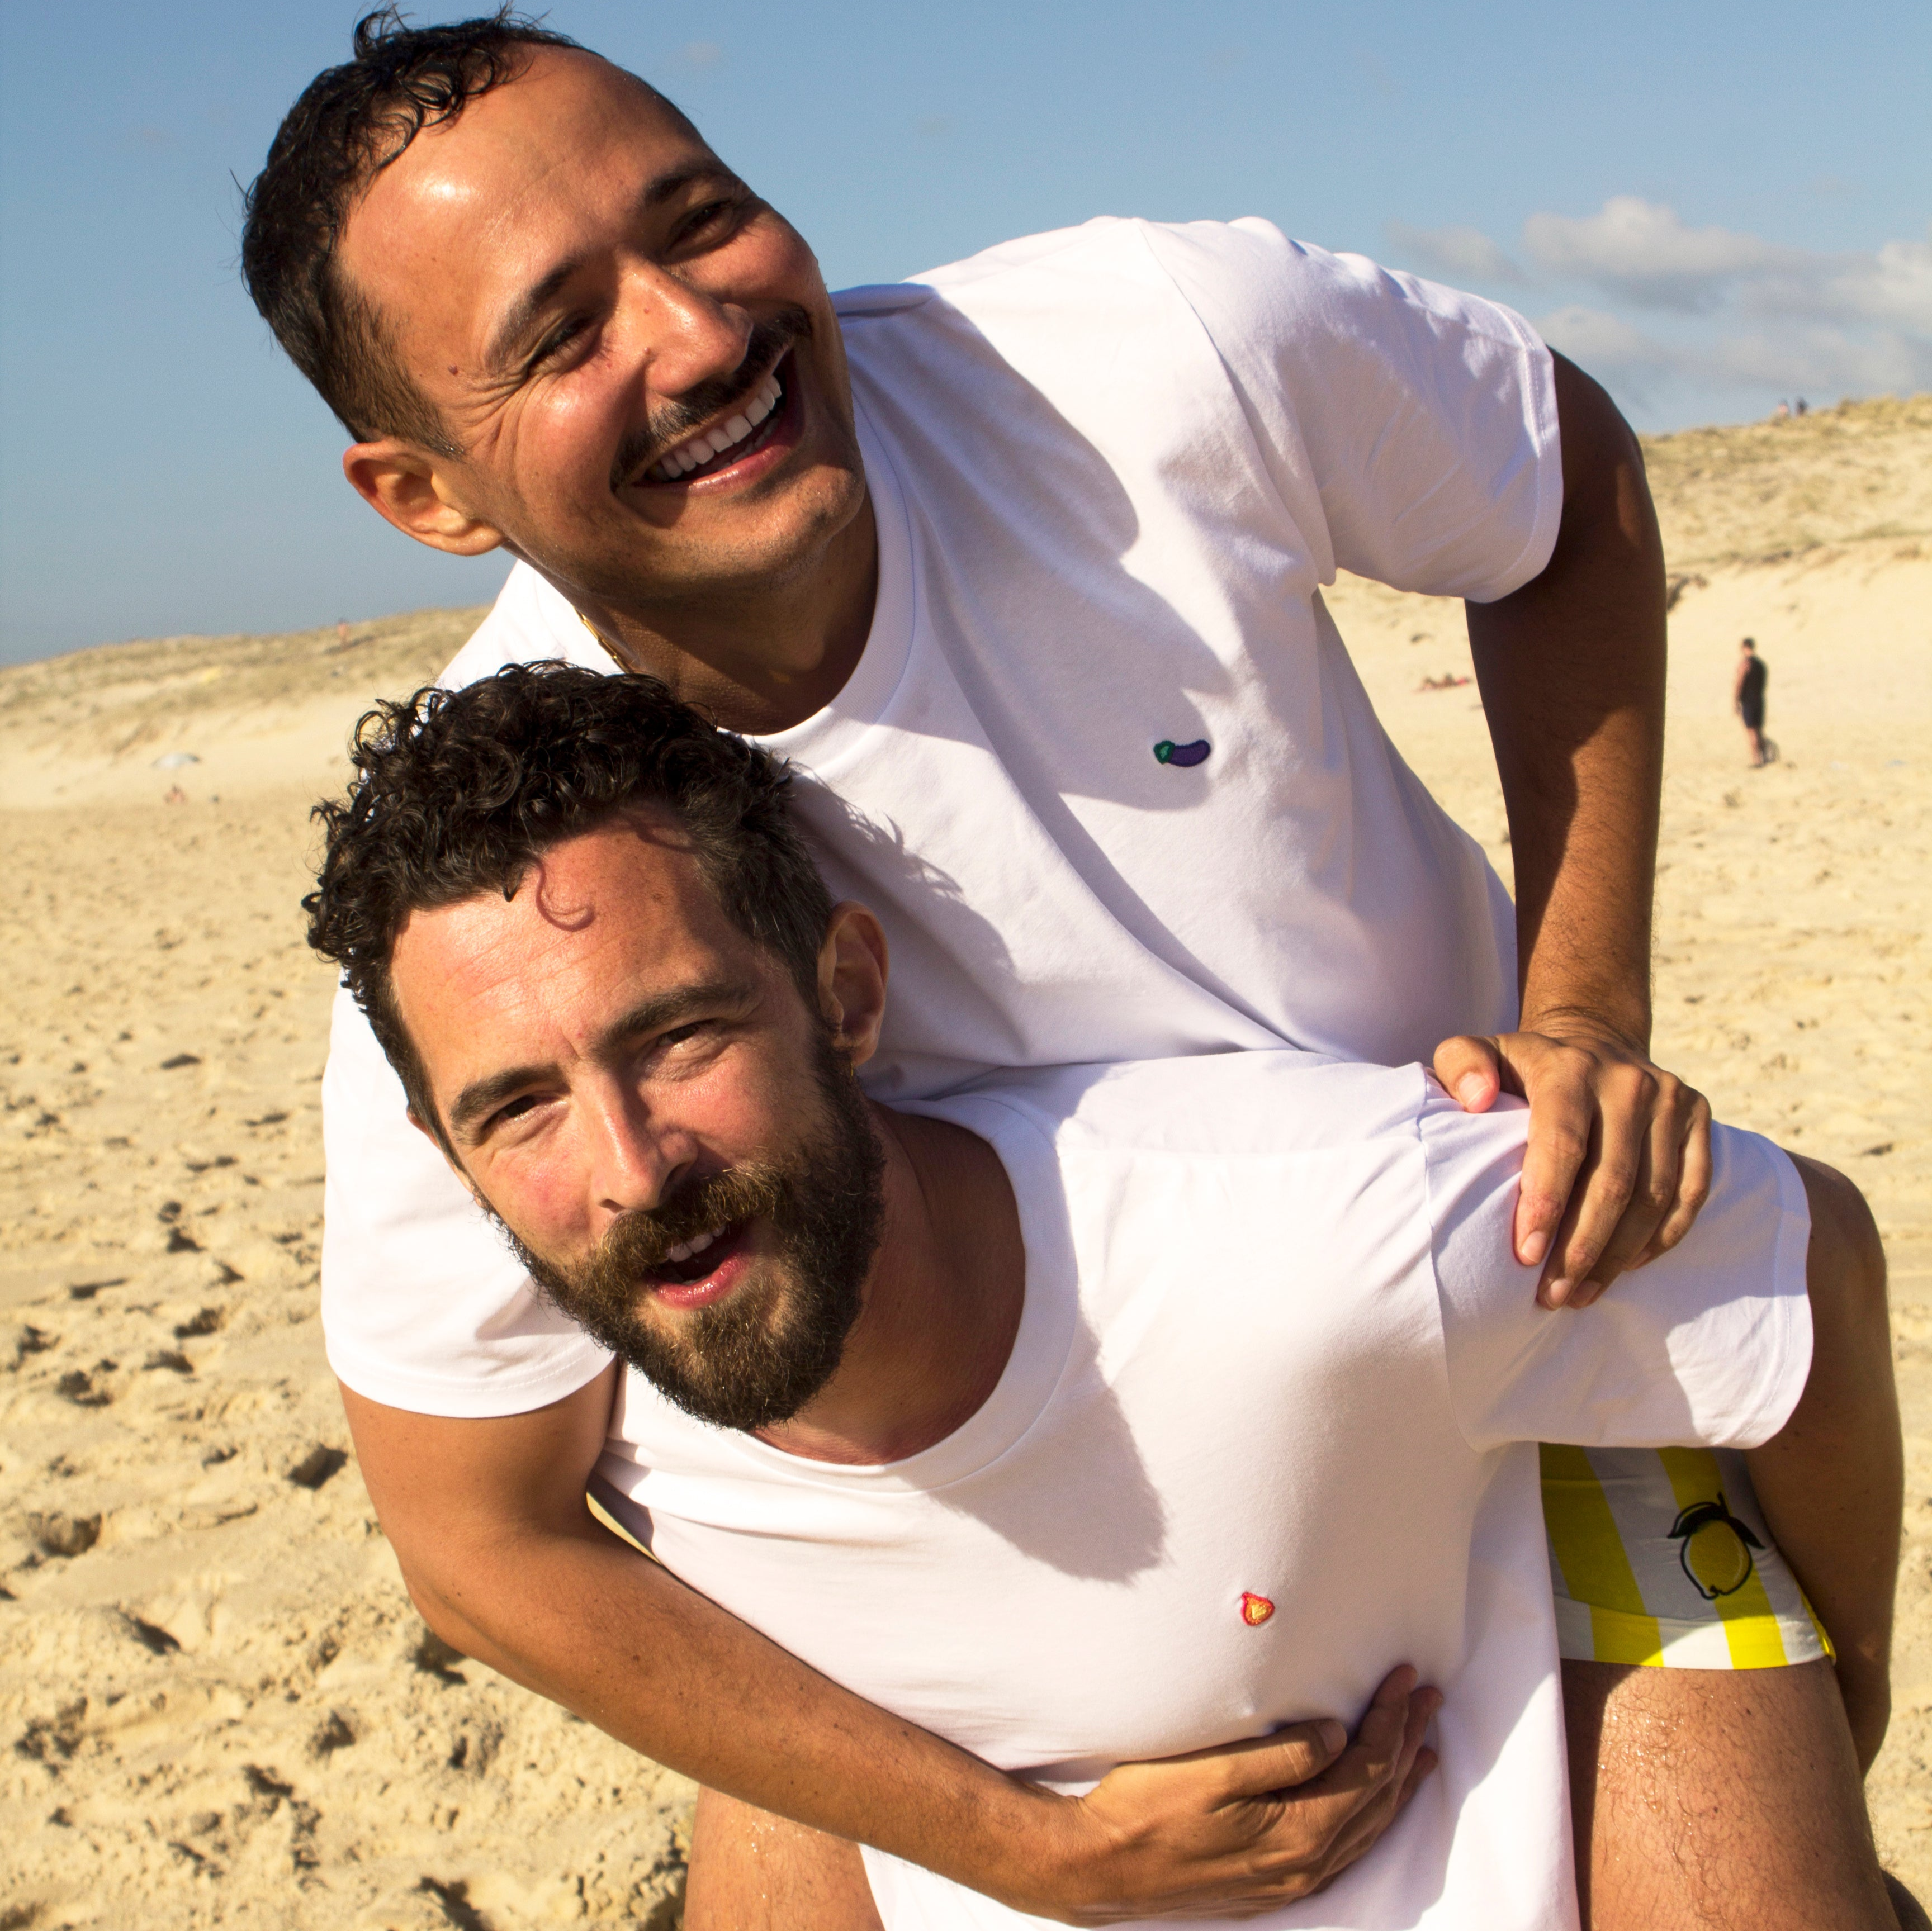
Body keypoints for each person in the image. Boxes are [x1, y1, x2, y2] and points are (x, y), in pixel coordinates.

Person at [240, 13, 1896, 1922]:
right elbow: (481, 1541)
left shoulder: (1144, 358)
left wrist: (1582, 1004)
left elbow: (1559, 480)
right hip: (972, 1540)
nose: (696, 338)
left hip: (1483, 1310)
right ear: (425, 495)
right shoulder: (525, 903)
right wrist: (1018, 1842)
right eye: (559, 336)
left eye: (699, 223)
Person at [303, 663, 1905, 1931]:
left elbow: (1806, 1255)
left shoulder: (1302, 1232)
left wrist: (1846, 1701)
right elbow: (475, 1562)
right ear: (446, 1158)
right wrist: (1038, 1851)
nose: (634, 1166)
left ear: (847, 994)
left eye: (682, 1036)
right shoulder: (631, 1422)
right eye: (516, 1106)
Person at [1735, 637, 1773, 766]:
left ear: (1745, 647)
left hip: (1748, 701)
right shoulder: (1761, 664)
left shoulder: (1745, 664)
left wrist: (1736, 701)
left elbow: (1739, 684)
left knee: (1752, 732)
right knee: (1759, 730)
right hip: (1760, 700)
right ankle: (1766, 755)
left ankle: (1757, 760)